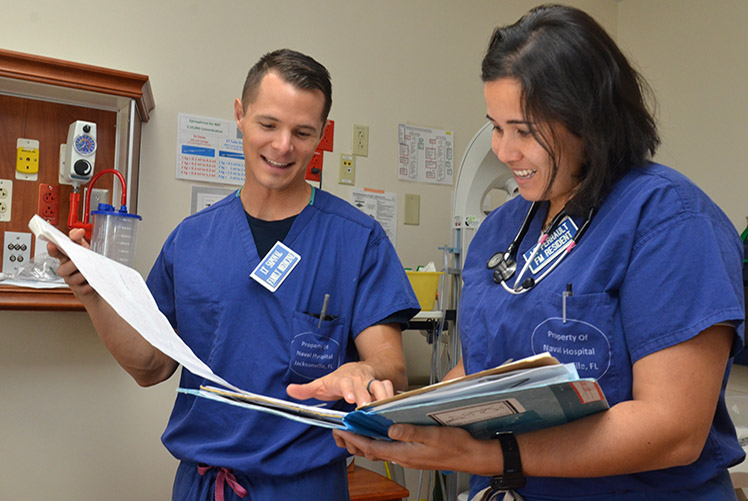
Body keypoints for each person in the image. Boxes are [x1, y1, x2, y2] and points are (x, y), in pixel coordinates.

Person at [333, 5, 746, 500]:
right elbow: (480, 370)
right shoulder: (504, 228)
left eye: (524, 131)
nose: (503, 151)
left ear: (589, 120)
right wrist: (392, 421)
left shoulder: (668, 221)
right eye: (496, 125)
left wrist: (492, 457)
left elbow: (673, 428)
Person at [49, 48, 420, 501]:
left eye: (302, 132)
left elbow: (391, 367)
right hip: (203, 485)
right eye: (268, 125)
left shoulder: (357, 239)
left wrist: (365, 370)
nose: (283, 146)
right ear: (240, 116)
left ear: (322, 135)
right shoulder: (191, 240)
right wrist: (92, 293)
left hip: (304, 487)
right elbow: (151, 366)